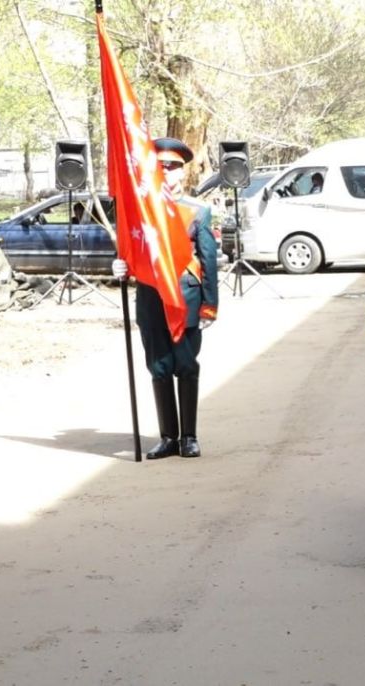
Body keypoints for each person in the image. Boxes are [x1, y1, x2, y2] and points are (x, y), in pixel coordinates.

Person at [111, 137, 219, 459]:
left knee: (185, 365)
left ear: (183, 173)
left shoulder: (196, 211)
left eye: (173, 167)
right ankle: (168, 437)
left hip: (186, 299)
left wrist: (209, 306)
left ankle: (189, 436)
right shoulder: (138, 214)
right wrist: (120, 266)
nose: (167, 172)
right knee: (158, 367)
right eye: (161, 167)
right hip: (150, 299)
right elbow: (131, 254)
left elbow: (208, 260)